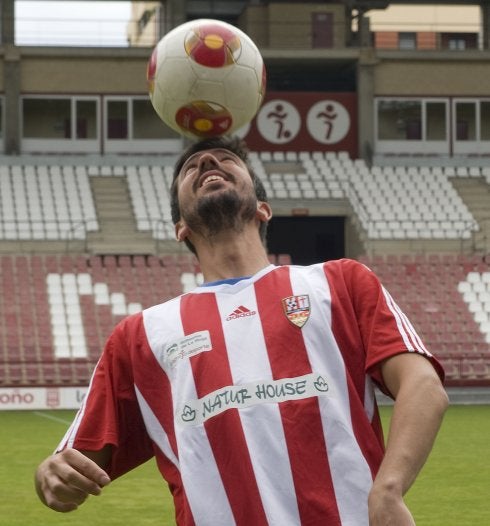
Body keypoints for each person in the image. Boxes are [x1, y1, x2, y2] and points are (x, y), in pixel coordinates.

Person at [35, 135, 448, 525]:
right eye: (192, 167)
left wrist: (388, 490)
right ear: (181, 228)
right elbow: (69, 468)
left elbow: (423, 386)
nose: (209, 162)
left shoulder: (342, 283)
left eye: (226, 160)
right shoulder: (140, 336)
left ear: (262, 208)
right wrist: (51, 477)